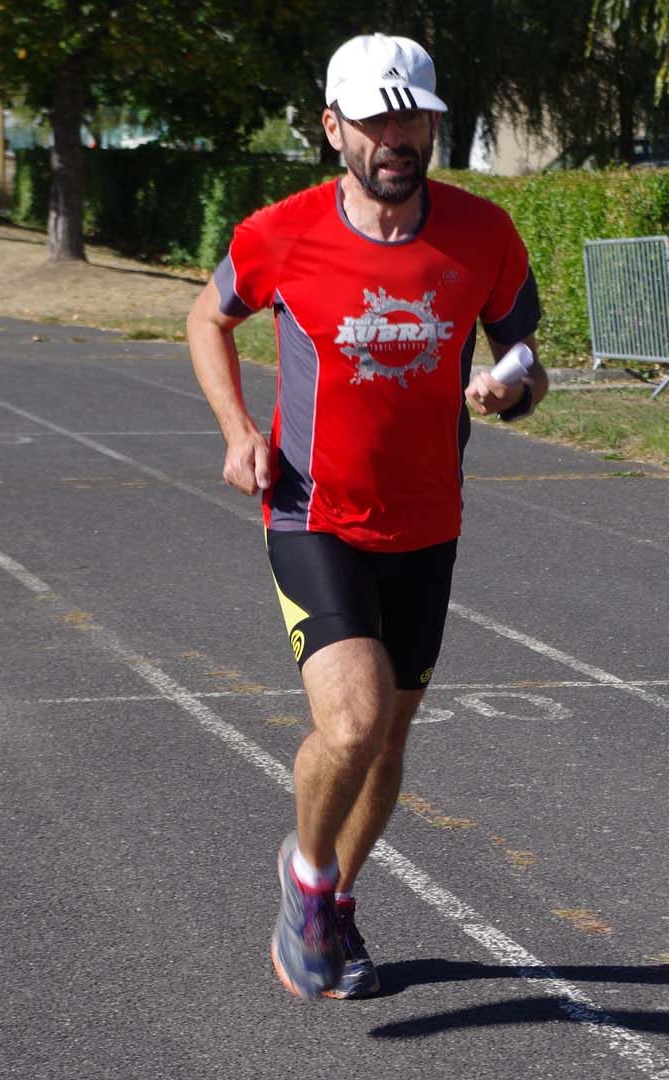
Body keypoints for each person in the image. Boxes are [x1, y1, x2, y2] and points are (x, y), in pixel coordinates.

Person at [185, 32, 549, 1000]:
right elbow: (205, 316)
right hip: (313, 512)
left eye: (413, 118)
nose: (397, 137)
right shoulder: (281, 232)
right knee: (348, 724)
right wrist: (235, 431)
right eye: (376, 119)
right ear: (333, 128)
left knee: (388, 736)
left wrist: (512, 387)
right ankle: (304, 882)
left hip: (428, 522)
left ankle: (337, 900)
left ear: (433, 125)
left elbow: (522, 354)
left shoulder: (483, 233)